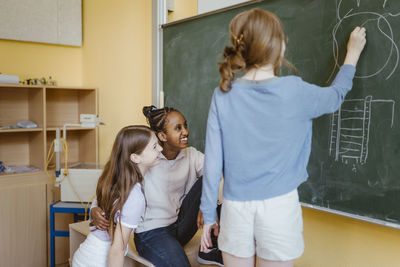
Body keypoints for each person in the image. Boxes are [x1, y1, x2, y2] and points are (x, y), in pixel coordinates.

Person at [200, 8, 366, 267]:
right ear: (278, 45)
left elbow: (212, 164)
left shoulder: (223, 94)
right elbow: (335, 96)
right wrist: (352, 54)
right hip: (279, 208)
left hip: (235, 207)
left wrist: (209, 215)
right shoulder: (295, 91)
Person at [91, 106, 224, 267]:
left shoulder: (191, 155)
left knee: (213, 175)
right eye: (178, 128)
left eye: (185, 126)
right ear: (162, 135)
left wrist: (208, 203)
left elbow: (220, 174)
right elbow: (113, 185)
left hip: (180, 225)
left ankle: (210, 248)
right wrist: (95, 207)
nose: (186, 132)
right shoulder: (147, 158)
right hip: (152, 233)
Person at [72, 125, 163, 267]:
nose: (161, 149)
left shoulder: (115, 178)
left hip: (83, 257)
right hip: (97, 261)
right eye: (154, 147)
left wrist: (94, 209)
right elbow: (117, 250)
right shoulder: (134, 196)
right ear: (135, 157)